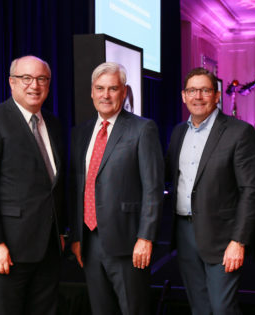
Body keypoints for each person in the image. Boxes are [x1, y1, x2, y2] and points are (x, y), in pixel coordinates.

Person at [0, 55, 65, 315]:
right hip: (6, 250)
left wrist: (62, 231)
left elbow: (53, 186)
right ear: (12, 83)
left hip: (47, 249)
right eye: (26, 78)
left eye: (42, 79)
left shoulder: (53, 123)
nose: (34, 85)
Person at [165, 67, 255, 314]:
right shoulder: (178, 132)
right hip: (184, 232)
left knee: (222, 307)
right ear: (183, 96)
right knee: (199, 306)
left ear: (216, 96)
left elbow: (250, 191)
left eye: (205, 90)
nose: (198, 96)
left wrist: (238, 241)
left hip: (223, 236)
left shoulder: (238, 132)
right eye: (192, 90)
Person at [70, 62, 164, 315]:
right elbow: (77, 186)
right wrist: (77, 237)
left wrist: (146, 237)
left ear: (124, 92)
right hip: (89, 243)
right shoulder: (80, 133)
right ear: (91, 92)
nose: (106, 95)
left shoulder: (142, 129)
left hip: (128, 241)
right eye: (100, 88)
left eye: (113, 88)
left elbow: (153, 188)